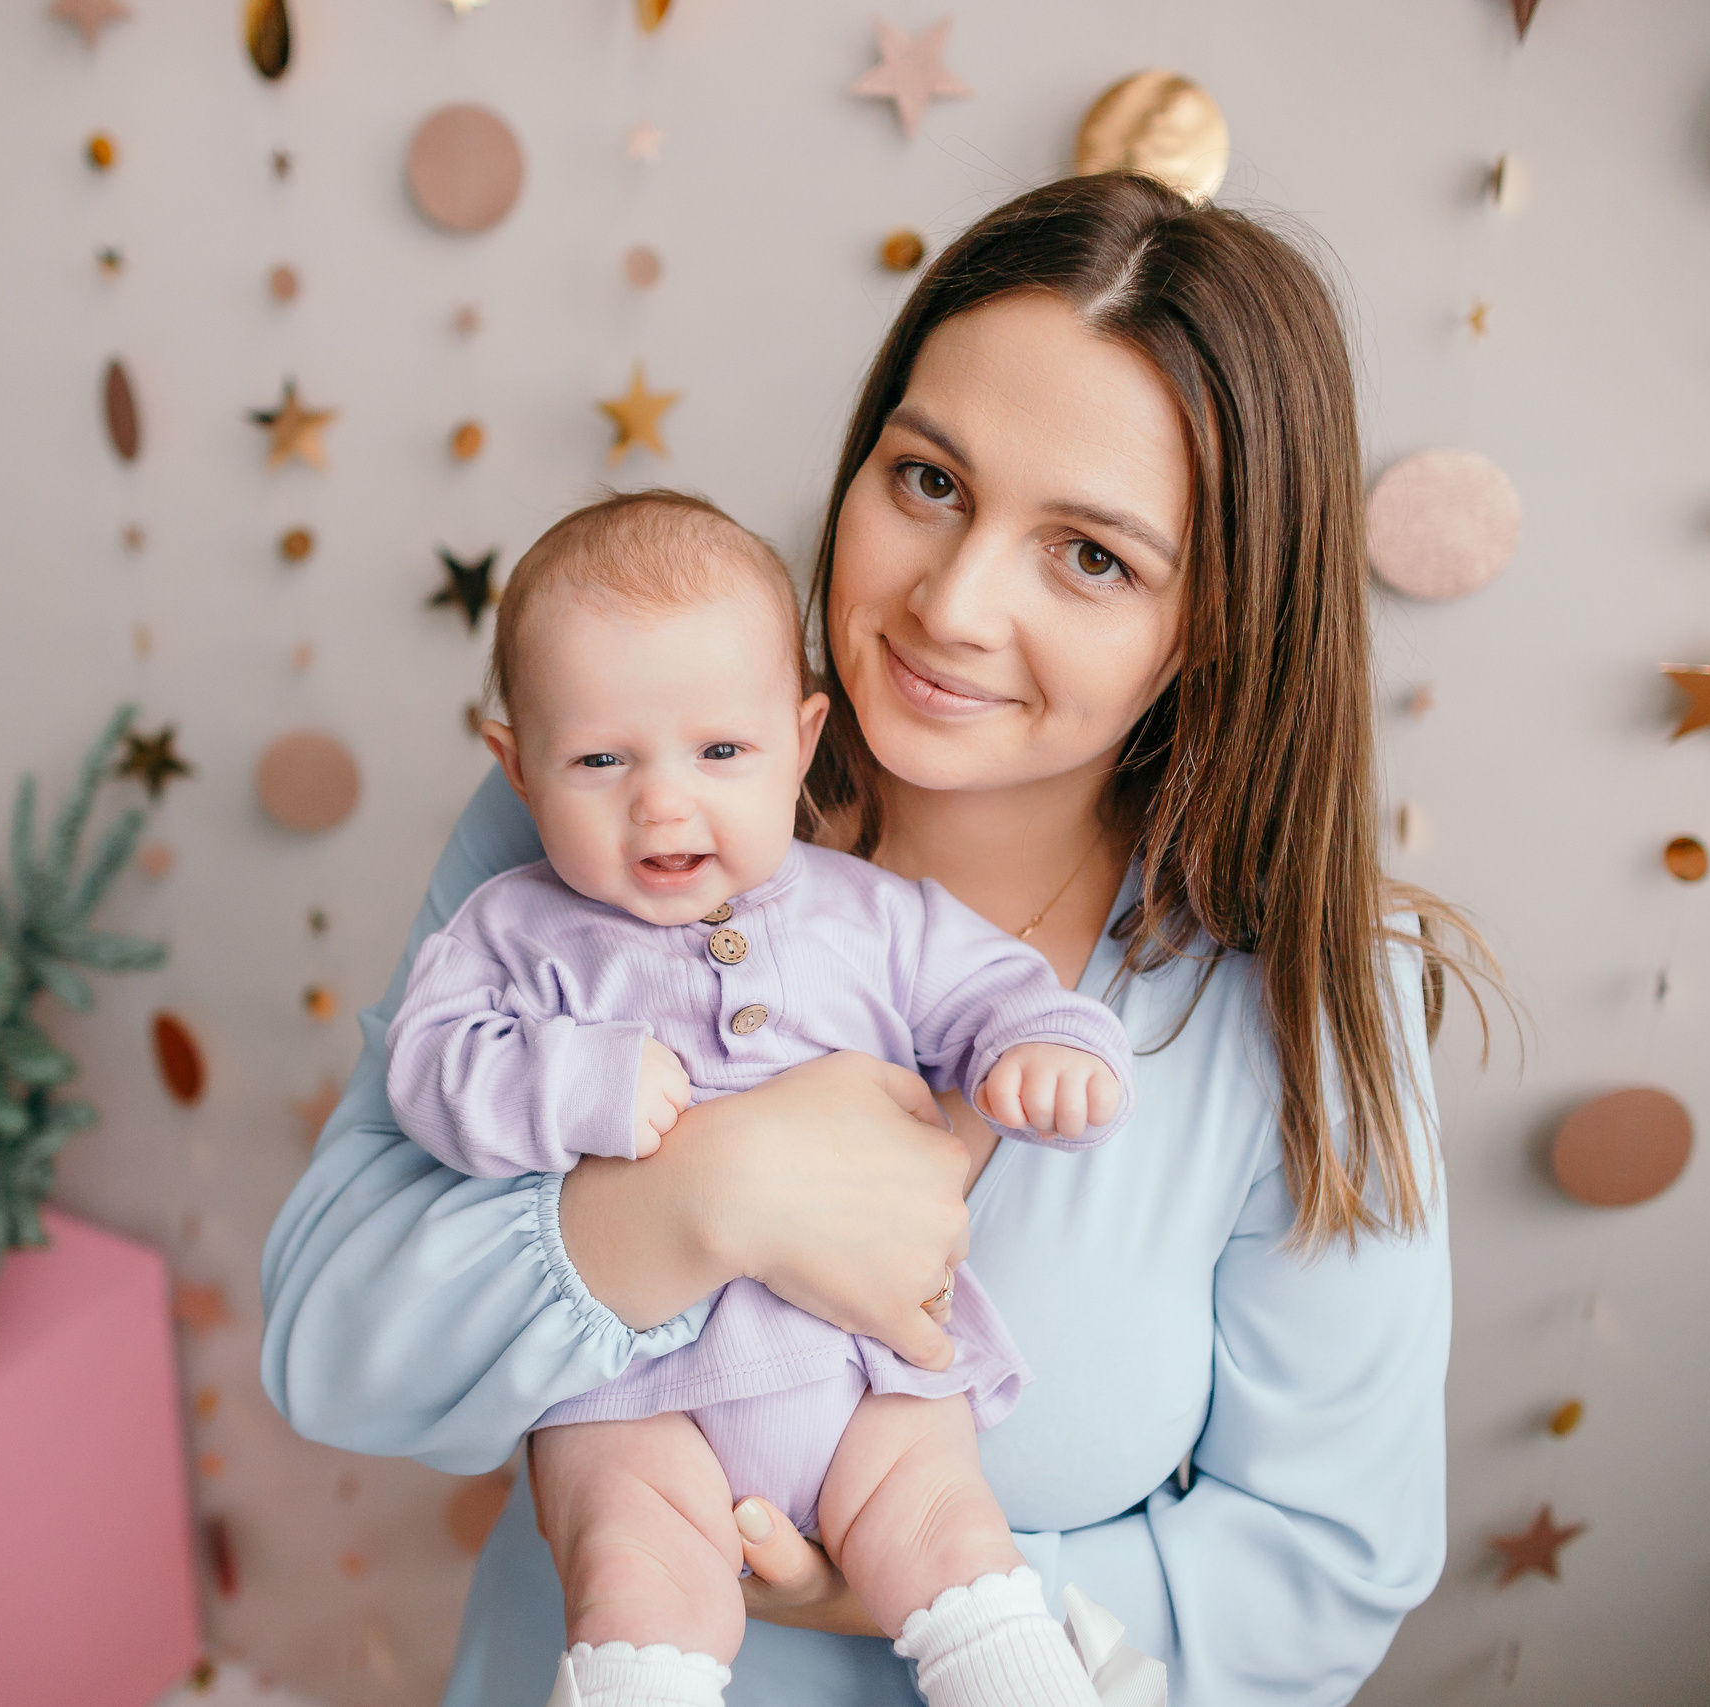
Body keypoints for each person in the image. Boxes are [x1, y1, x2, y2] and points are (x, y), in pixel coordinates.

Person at [262, 169, 1488, 1706]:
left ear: (1218, 624)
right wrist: (705, 1195)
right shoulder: (617, 818)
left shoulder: (1305, 991)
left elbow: (1326, 1573)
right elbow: (331, 1346)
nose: (955, 602)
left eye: (1092, 554)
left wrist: (922, 1586)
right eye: (928, 482)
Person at [381, 489, 1137, 1707]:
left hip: (867, 1380)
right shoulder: (516, 928)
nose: (664, 803)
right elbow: (430, 1067)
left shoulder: (867, 913)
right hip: (634, 1399)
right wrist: (573, 1082)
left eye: (720, 752)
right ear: (516, 766)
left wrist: (1040, 1042)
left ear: (799, 740)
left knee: (948, 1534)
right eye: (600, 760)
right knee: (634, 1575)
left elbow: (988, 985)